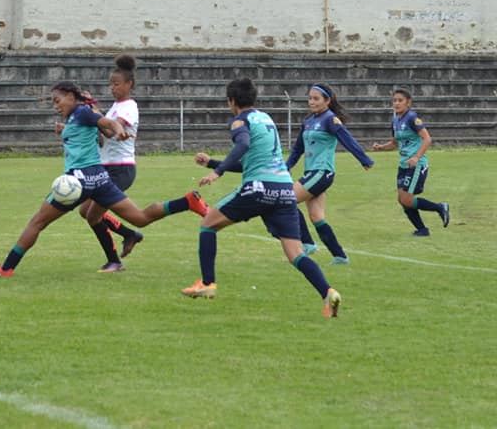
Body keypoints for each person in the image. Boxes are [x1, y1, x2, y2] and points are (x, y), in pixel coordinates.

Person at [0, 80, 208, 278]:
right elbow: (100, 135)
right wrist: (68, 130)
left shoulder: (82, 112)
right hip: (99, 178)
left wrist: (118, 128)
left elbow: (109, 124)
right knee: (139, 217)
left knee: (37, 222)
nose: (55, 105)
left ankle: (6, 269)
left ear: (71, 97)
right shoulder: (76, 117)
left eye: (57, 100)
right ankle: (186, 202)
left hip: (78, 181)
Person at [189, 77, 342, 318]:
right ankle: (328, 292)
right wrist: (212, 161)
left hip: (259, 188)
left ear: (231, 101)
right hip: (284, 190)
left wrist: (217, 171)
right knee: (295, 253)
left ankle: (207, 285)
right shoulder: (266, 118)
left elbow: (243, 144)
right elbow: (250, 163)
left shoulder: (241, 120)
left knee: (208, 224)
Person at [76, 55, 206, 272]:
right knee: (86, 212)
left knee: (128, 217)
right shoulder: (114, 107)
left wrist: (93, 114)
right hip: (107, 168)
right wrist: (89, 122)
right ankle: (129, 236)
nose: (112, 88)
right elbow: (103, 137)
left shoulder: (128, 107)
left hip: (120, 169)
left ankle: (116, 259)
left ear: (129, 84)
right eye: (110, 84)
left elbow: (110, 130)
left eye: (116, 84)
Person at [285, 83, 374, 264]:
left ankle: (308, 243)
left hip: (322, 172)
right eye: (310, 98)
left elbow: (346, 138)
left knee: (286, 199)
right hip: (312, 172)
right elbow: (297, 148)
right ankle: (340, 256)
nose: (312, 102)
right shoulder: (308, 121)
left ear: (327, 100)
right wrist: (287, 166)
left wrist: (363, 159)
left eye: (316, 98)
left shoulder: (330, 119)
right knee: (316, 217)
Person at [371, 87, 450, 236]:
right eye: (394, 100)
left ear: (408, 103)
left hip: (416, 165)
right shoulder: (395, 120)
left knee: (406, 199)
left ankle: (440, 207)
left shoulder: (412, 118)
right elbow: (394, 143)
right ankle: (422, 230)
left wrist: (416, 157)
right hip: (403, 165)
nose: (396, 103)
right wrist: (381, 147)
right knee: (402, 199)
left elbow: (427, 139)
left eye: (400, 100)